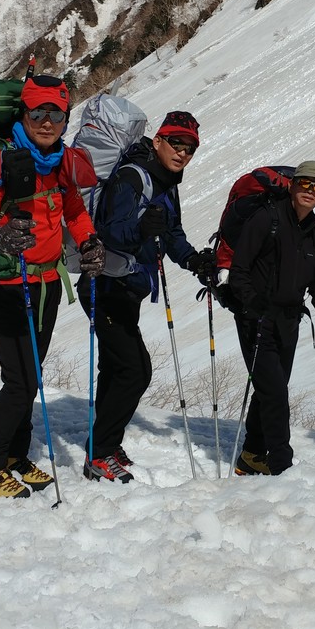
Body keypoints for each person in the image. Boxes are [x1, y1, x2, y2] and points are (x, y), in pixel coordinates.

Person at [0, 75, 106, 500]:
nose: (47, 121)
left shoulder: (61, 160)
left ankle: (14, 455)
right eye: (38, 112)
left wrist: (89, 241)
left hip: (46, 280)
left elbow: (75, 211)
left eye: (56, 114)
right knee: (20, 381)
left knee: (32, 376)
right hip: (7, 283)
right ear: (24, 114)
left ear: (65, 118)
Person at [82, 111, 213, 482]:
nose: (183, 152)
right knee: (134, 371)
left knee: (116, 368)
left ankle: (103, 444)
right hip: (106, 285)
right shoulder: (133, 177)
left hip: (130, 287)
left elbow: (171, 233)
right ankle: (99, 452)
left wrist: (193, 260)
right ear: (158, 141)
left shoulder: (166, 182)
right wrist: (140, 229)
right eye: (176, 143)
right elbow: (110, 231)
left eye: (190, 148)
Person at [227, 160, 315, 476]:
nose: (310, 190)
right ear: (293, 185)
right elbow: (239, 272)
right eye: (305, 183)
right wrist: (253, 305)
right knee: (275, 394)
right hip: (256, 321)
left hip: (289, 321)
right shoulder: (266, 218)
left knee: (269, 392)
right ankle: (281, 467)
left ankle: (251, 456)